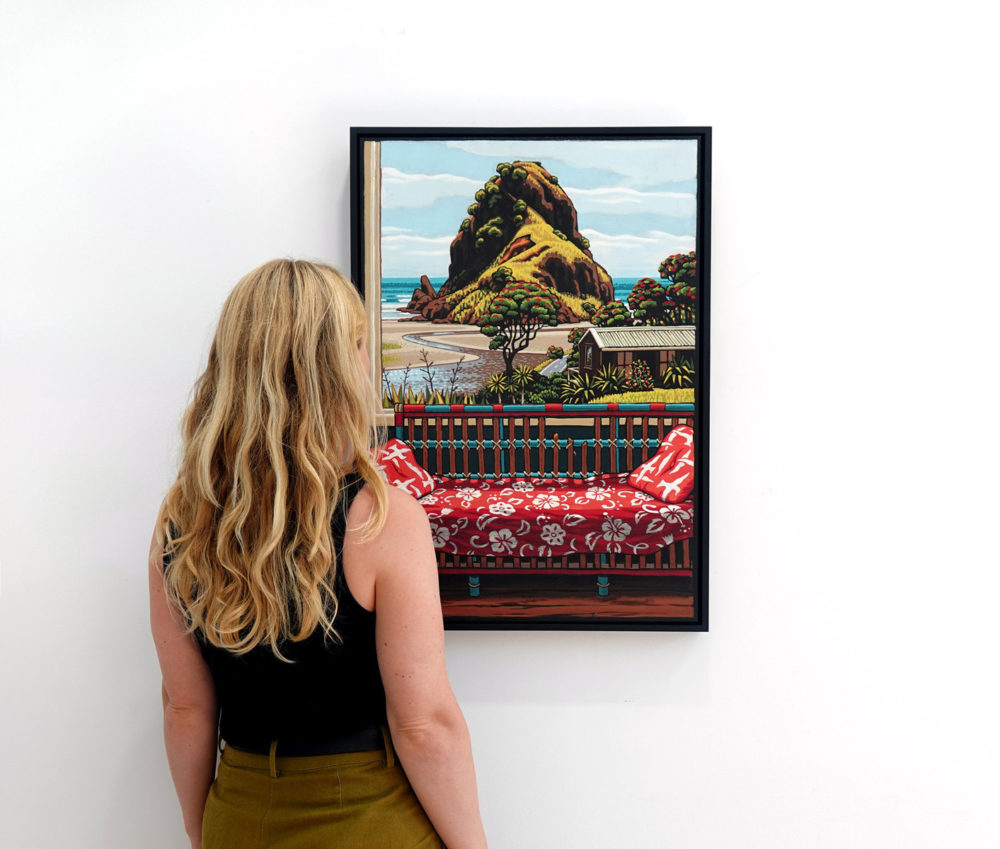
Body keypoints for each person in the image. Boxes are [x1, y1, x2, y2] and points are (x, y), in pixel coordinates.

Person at [148, 259, 489, 849]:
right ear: (332, 368)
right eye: (359, 343)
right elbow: (424, 724)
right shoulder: (381, 516)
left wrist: (203, 830)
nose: (366, 359)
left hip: (240, 810)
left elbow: (185, 708)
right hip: (365, 817)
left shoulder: (182, 517)